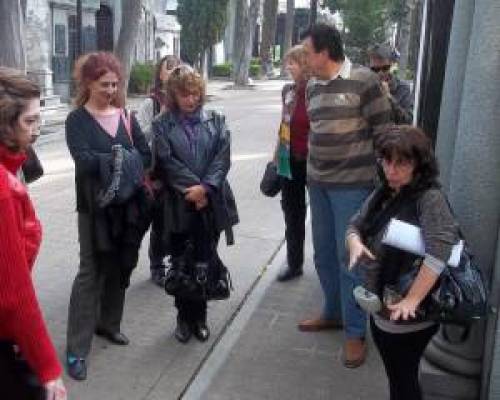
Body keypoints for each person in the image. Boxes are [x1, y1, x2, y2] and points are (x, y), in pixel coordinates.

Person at [300, 23, 392, 368]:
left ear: (325, 52)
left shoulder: (365, 80)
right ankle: (333, 313)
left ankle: (355, 333)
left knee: (350, 259)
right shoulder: (310, 87)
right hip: (318, 184)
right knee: (323, 254)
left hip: (353, 188)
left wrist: (385, 187)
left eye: (308, 52)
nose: (305, 58)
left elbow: (384, 134)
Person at [346, 125, 457, 400]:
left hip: (407, 315)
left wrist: (413, 300)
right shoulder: (385, 191)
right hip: (382, 307)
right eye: (386, 161)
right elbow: (355, 225)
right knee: (396, 376)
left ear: (420, 164)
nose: (391, 170)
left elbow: (439, 252)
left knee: (404, 379)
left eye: (402, 163)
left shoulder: (430, 199)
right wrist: (355, 244)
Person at [65, 52, 152, 381]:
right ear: (88, 83)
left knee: (118, 266)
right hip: (93, 209)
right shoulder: (77, 121)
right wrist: (120, 158)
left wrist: (119, 161)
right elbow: (83, 161)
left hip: (126, 208)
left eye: (115, 84)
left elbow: (145, 155)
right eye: (105, 84)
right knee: (90, 272)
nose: (111, 90)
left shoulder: (126, 116)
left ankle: (108, 324)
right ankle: (76, 349)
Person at [152, 65, 238, 344]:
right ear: (173, 95)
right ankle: (182, 317)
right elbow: (166, 161)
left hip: (211, 201)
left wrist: (206, 189)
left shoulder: (216, 118)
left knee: (204, 259)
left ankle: (199, 317)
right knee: (179, 261)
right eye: (184, 94)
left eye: (195, 93)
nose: (191, 99)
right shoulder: (161, 124)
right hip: (179, 203)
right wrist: (193, 189)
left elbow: (222, 157)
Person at [0, 68, 67, 399]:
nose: (36, 131)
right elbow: (15, 296)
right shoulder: (3, 190)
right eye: (29, 122)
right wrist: (49, 369)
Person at [136, 55, 181, 286]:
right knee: (158, 221)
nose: (174, 71)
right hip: (156, 171)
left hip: (178, 172)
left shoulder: (184, 99)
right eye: (169, 67)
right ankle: (156, 265)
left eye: (177, 67)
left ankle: (176, 261)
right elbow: (139, 135)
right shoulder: (151, 103)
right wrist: (162, 116)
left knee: (176, 220)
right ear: (160, 74)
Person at [274, 44, 311, 282]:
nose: (288, 67)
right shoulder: (288, 91)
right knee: (292, 214)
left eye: (293, 63)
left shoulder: (317, 92)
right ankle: (294, 263)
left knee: (321, 216)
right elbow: (283, 125)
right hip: (290, 163)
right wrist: (276, 156)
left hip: (315, 163)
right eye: (288, 62)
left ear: (305, 65)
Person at [368, 44, 414, 124]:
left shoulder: (402, 89)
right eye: (375, 69)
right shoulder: (365, 87)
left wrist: (389, 98)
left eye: (385, 68)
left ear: (391, 65)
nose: (380, 73)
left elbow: (407, 121)